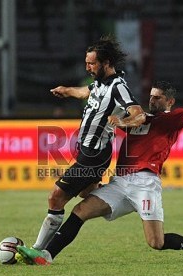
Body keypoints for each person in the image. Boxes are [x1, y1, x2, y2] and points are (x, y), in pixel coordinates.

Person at [18, 72, 183, 265]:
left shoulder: (172, 119)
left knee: (156, 242)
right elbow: (98, 99)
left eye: (158, 98)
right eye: (151, 96)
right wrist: (73, 95)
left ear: (170, 102)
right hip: (120, 182)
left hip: (146, 185)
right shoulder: (136, 117)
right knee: (81, 210)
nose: (152, 100)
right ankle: (46, 256)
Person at [32, 35, 146, 250]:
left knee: (55, 198)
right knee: (87, 194)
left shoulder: (117, 87)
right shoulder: (99, 84)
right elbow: (86, 92)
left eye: (92, 63)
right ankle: (128, 197)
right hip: (87, 153)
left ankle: (37, 250)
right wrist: (67, 90)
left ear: (107, 63)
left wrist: (122, 121)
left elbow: (139, 114)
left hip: (93, 157)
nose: (87, 68)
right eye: (86, 63)